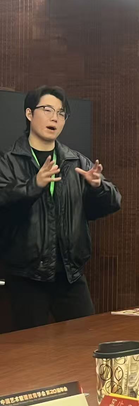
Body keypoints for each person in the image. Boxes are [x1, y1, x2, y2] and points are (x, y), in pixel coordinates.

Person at [0, 86, 121, 330]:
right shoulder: (9, 161)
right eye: (47, 110)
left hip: (70, 274)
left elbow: (114, 202)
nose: (54, 118)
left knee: (85, 341)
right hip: (26, 276)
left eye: (61, 113)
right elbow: (4, 201)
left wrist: (98, 187)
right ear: (29, 113)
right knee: (29, 348)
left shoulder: (76, 161)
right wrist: (33, 185)